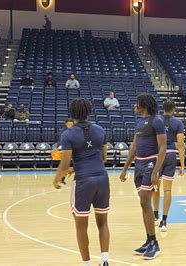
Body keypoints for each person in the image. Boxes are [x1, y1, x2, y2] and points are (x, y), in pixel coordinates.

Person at [53, 98, 110, 266]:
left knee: (81, 225)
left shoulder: (68, 134)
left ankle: (87, 264)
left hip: (84, 181)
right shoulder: (100, 130)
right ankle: (105, 260)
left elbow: (64, 164)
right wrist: (77, 167)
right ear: (88, 112)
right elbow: (103, 157)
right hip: (102, 178)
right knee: (103, 223)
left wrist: (57, 179)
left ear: (72, 113)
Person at [119, 93, 166, 260]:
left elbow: (162, 148)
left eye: (137, 103)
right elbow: (134, 146)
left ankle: (155, 244)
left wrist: (155, 172)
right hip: (138, 164)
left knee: (145, 201)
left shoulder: (157, 121)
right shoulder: (138, 122)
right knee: (143, 203)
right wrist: (125, 168)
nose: (134, 105)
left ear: (143, 104)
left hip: (151, 162)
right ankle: (149, 239)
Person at [152, 99, 185, 232]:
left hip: (157, 154)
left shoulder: (156, 120)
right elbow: (181, 145)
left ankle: (155, 215)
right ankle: (164, 221)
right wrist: (182, 165)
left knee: (155, 187)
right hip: (171, 154)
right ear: (174, 109)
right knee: (167, 190)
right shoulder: (178, 123)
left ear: (163, 108)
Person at [54, 119, 75, 185]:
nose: (70, 126)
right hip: (66, 150)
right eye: (69, 124)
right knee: (66, 165)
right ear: (66, 124)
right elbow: (60, 141)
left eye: (71, 124)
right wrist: (57, 147)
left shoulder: (75, 130)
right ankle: (62, 179)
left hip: (74, 149)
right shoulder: (63, 131)